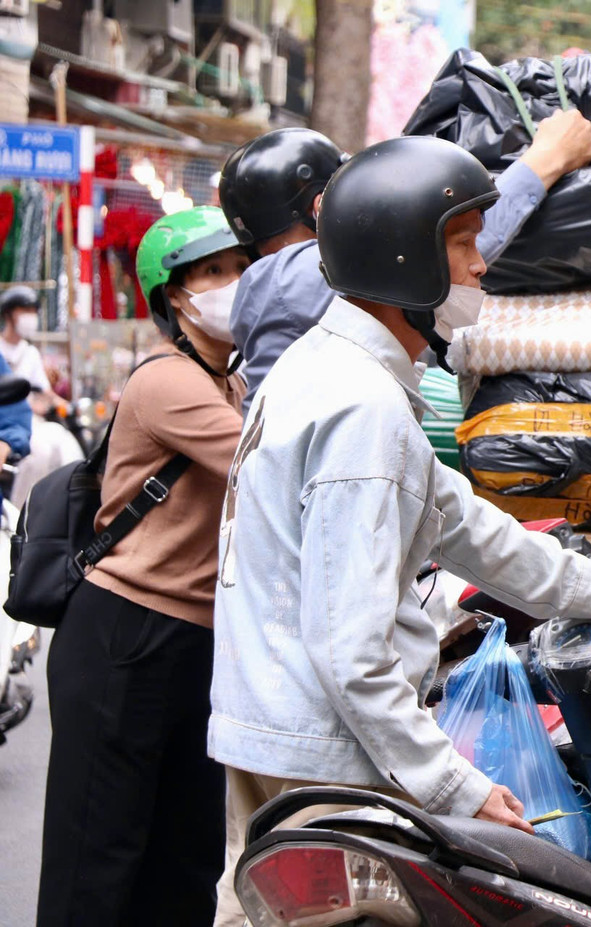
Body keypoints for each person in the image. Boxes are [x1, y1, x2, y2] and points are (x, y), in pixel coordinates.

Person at [208, 136, 591, 926]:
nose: (480, 265)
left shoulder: (324, 367)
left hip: (276, 733)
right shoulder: (363, 409)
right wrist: (459, 787)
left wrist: (590, 584)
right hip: (328, 756)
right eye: (461, 244)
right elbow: (351, 653)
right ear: (402, 258)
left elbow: (451, 512)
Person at [37, 206, 248, 926]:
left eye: (241, 268)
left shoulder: (231, 383)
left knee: (185, 859)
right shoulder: (168, 382)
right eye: (212, 272)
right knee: (95, 860)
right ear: (175, 297)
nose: (233, 284)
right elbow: (272, 467)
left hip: (195, 640)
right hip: (124, 632)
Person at [220, 113, 591, 410]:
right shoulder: (295, 277)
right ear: (323, 205)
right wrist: (547, 158)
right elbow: (430, 244)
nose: (477, 263)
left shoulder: (269, 282)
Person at [0, 285, 83, 500]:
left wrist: (66, 405)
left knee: (60, 445)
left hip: (25, 419)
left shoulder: (30, 353)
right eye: (24, 311)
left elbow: (42, 392)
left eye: (32, 312)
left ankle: (28, 516)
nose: (30, 317)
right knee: (39, 452)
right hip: (21, 419)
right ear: (9, 313)